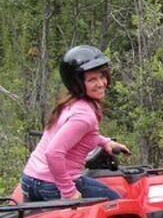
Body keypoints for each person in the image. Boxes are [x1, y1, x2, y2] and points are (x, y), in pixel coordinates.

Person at [21, 45, 129, 202]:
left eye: (102, 76)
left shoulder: (69, 102)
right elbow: (53, 153)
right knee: (117, 202)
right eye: (92, 79)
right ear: (77, 83)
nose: (101, 83)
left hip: (30, 180)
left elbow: (75, 134)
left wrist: (105, 142)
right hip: (52, 185)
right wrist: (69, 192)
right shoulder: (84, 115)